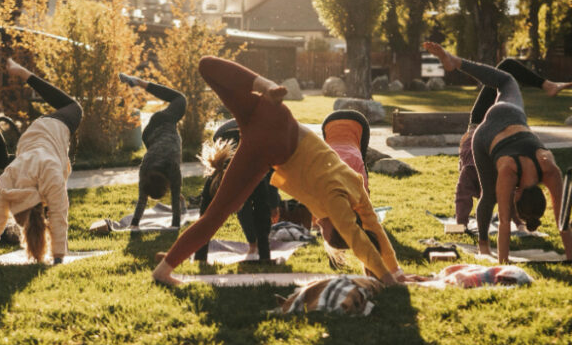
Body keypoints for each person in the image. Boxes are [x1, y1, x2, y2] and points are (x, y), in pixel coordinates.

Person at [152, 56, 421, 287]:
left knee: (206, 65)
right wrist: (388, 279)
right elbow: (358, 238)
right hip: (271, 147)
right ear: (333, 226)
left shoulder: (355, 185)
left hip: (276, 116)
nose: (317, 227)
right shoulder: (334, 202)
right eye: (323, 233)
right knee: (215, 215)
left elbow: (374, 228)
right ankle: (164, 270)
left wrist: (396, 270)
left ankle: (264, 85)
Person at [422, 42, 572, 263]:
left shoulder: (548, 165)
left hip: (507, 116)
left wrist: (570, 259)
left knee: (507, 76)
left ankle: (457, 62)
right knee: (491, 196)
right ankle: (483, 247)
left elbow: (558, 220)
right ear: (518, 195)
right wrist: (504, 265)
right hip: (485, 132)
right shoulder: (511, 168)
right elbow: (508, 221)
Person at [0, 58, 81, 264]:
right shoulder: (8, 179)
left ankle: (23, 72)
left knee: (75, 107)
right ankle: (22, 72)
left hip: (52, 129)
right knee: (73, 106)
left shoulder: (44, 173)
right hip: (30, 139)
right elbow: (58, 213)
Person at [454, 58, 572, 228]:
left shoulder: (497, 172)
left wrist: (462, 223)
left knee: (506, 69)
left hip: (489, 124)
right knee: (506, 69)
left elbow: (464, 192)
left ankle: (547, 85)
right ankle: (548, 85)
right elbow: (510, 197)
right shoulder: (506, 173)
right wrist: (518, 223)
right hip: (493, 124)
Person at [195, 119, 281, 262]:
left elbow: (263, 213)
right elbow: (204, 220)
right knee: (252, 206)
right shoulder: (213, 181)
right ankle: (254, 245)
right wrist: (200, 258)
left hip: (257, 133)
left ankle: (254, 246)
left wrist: (274, 204)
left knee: (265, 193)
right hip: (223, 135)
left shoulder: (255, 176)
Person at [317, 110, 383, 272]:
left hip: (356, 122)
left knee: (360, 160)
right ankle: (337, 254)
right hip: (336, 121)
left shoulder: (354, 172)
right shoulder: (326, 183)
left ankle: (338, 254)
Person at [118, 73, 185, 229]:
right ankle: (139, 82)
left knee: (180, 99)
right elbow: (174, 194)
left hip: (160, 126)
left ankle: (139, 82)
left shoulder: (164, 167)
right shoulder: (152, 168)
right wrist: (175, 225)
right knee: (180, 98)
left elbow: (171, 193)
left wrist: (135, 224)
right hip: (148, 136)